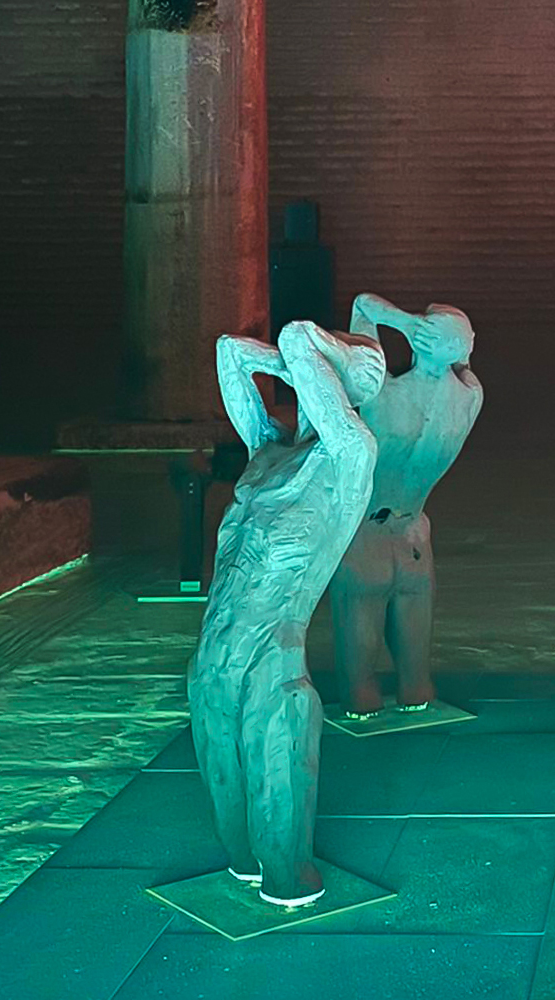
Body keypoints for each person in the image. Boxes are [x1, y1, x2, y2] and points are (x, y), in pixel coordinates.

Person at [188, 321, 386, 907]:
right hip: (212, 656)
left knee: (279, 802)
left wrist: (314, 357)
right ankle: (247, 864)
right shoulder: (267, 451)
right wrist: (304, 365)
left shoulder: (350, 460)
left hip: (272, 660)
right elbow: (229, 353)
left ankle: (288, 877)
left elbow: (299, 337)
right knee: (230, 810)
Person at [328, 294, 484, 717]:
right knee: (417, 683)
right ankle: (415, 693)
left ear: (418, 342)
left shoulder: (382, 397)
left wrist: (404, 322)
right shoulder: (469, 399)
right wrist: (447, 340)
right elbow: (464, 366)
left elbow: (362, 307)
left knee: (360, 686)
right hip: (414, 532)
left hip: (367, 533)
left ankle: (361, 702)